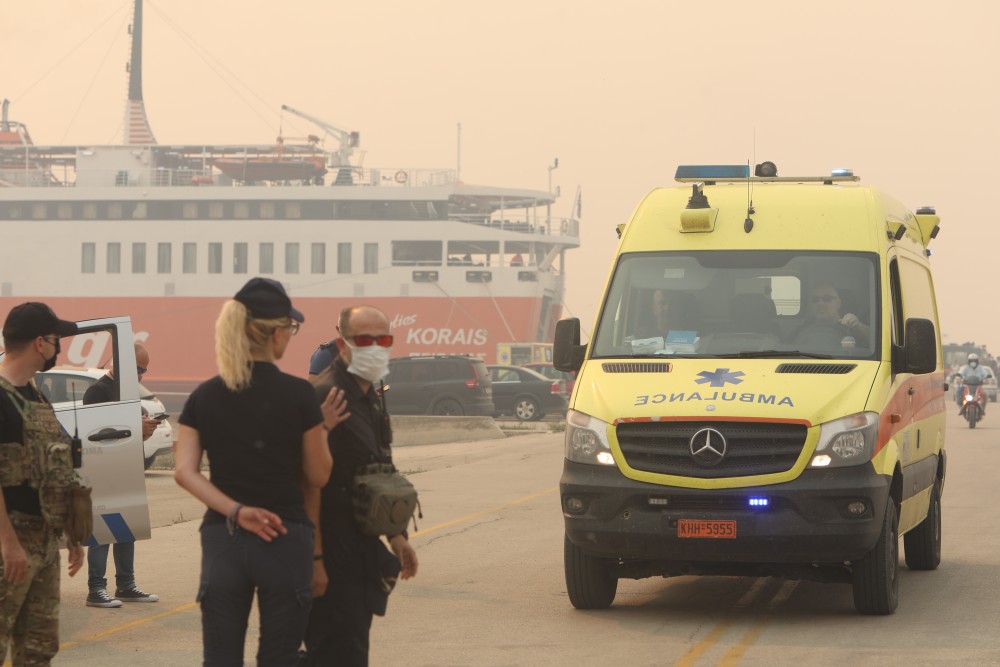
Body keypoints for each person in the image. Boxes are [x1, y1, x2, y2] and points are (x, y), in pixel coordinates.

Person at [173, 277, 344, 666]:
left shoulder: (204, 395)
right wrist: (323, 431)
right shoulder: (300, 394)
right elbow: (318, 475)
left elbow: (184, 472)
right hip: (285, 537)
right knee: (279, 656)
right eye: (291, 328)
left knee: (220, 657)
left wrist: (235, 510)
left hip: (224, 539)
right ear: (277, 333)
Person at [302, 305, 419, 667]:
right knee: (331, 651)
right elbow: (307, 484)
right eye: (364, 339)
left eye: (383, 340)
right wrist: (315, 560)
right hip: (330, 549)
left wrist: (397, 536)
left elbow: (378, 470)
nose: (375, 347)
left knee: (352, 649)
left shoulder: (371, 395)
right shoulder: (326, 396)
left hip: (360, 546)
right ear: (343, 343)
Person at [0, 302, 85, 664]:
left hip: (45, 542)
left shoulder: (36, 396)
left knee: (37, 649)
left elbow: (57, 470)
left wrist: (72, 535)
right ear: (40, 342)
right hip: (11, 542)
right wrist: (9, 545)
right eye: (56, 339)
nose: (58, 347)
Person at [83, 342, 160, 608]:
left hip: (127, 468)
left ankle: (126, 585)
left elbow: (129, 431)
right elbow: (97, 432)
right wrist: (133, 426)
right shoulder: (97, 391)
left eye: (144, 371)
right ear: (121, 364)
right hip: (105, 470)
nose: (141, 375)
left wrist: (145, 429)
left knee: (126, 529)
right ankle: (96, 589)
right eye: (138, 369)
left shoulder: (128, 392)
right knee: (103, 530)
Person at [793, 284, 871, 345]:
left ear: (839, 303)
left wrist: (859, 326)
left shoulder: (851, 326)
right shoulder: (801, 328)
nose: (820, 303)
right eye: (815, 299)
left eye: (827, 298)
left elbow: (876, 342)